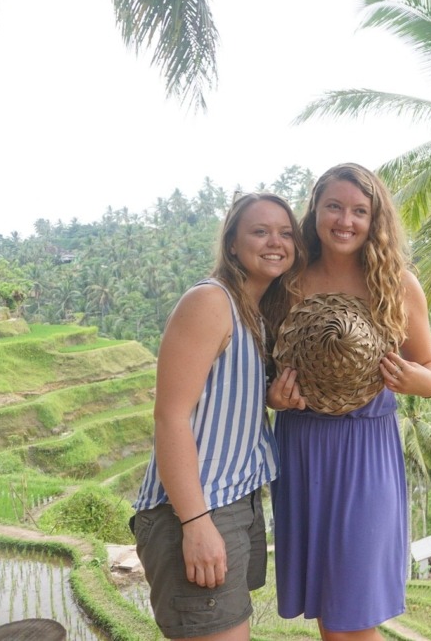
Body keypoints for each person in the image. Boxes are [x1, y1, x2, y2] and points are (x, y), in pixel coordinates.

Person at [270, 163, 431, 641]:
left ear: (374, 220)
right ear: (316, 212)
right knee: (331, 611)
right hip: (302, 448)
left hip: (368, 453)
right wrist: (272, 395)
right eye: (334, 207)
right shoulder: (287, 281)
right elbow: (263, 370)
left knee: (355, 608)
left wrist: (416, 381)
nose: (345, 220)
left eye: (359, 211)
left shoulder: (397, 285)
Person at [131, 193, 306, 640]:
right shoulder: (211, 302)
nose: (276, 242)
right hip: (195, 508)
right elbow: (170, 417)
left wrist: (274, 399)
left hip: (237, 501)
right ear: (232, 244)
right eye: (260, 231)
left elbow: (224, 396)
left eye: (286, 233)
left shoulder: (254, 316)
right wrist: (195, 523)